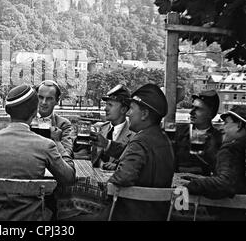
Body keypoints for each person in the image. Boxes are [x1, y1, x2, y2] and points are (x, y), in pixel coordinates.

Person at [0, 84, 76, 221]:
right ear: (34, 113)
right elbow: (69, 178)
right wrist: (57, 142)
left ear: (8, 111)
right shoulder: (47, 145)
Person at [91, 83, 174, 221]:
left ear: (144, 114)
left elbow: (123, 177)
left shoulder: (140, 141)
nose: (128, 113)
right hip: (157, 213)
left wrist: (105, 187)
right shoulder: (163, 138)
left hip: (130, 213)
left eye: (132, 109)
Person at [182, 105, 246, 220]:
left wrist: (190, 186)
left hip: (230, 214)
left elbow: (225, 183)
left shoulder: (231, 149)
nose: (221, 128)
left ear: (239, 125)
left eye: (226, 123)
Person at [173, 90, 222, 175]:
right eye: (192, 107)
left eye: (198, 109)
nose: (191, 112)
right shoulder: (178, 132)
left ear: (210, 113)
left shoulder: (219, 139)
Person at [91, 84, 134, 170]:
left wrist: (118, 166)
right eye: (106, 104)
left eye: (110, 105)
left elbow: (132, 161)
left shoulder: (134, 134)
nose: (105, 109)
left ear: (124, 109)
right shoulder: (98, 128)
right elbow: (90, 156)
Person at [33, 80, 76, 158]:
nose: (44, 102)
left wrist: (57, 141)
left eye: (49, 99)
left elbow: (67, 154)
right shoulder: (26, 120)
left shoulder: (63, 124)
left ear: (57, 101)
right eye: (40, 97)